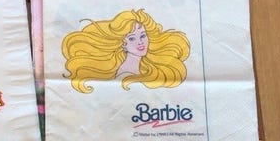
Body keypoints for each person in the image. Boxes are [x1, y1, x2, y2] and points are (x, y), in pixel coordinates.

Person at [61, 9, 190, 93]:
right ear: (122, 44)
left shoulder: (146, 68)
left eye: (143, 35)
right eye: (132, 38)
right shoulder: (125, 73)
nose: (140, 42)